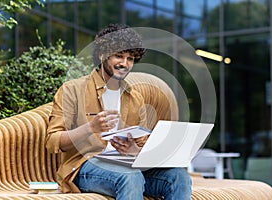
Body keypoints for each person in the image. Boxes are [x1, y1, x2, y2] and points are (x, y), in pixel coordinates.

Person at [45, 23, 192, 199]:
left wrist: (134, 151)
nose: (125, 63)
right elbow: (53, 141)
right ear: (102, 55)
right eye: (119, 56)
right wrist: (91, 128)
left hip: (127, 166)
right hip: (84, 167)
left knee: (178, 177)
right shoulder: (72, 90)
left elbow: (142, 143)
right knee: (130, 177)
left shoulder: (135, 97)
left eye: (130, 58)